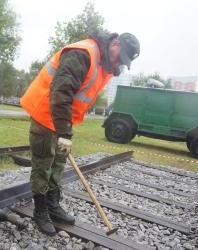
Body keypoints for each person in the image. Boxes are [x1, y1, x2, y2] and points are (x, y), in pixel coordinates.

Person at [20, 31, 140, 235]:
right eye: (119, 57)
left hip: (60, 118)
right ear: (115, 43)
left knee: (58, 162)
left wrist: (65, 130)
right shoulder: (83, 53)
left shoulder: (104, 63)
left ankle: (52, 205)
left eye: (123, 61)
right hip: (45, 112)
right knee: (43, 163)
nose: (118, 63)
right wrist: (65, 133)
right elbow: (61, 92)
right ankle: (40, 211)